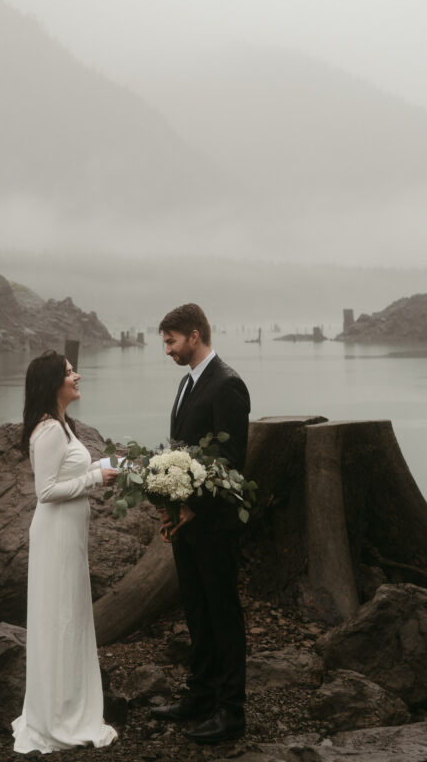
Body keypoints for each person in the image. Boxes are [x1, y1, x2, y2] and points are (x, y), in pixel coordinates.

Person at [151, 303, 250, 745]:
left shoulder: (228, 385)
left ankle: (231, 712)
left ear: (194, 335)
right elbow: (181, 451)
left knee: (222, 613)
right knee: (196, 609)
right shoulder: (186, 384)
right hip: (186, 523)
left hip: (214, 524)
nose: (168, 350)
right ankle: (201, 694)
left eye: (172, 341)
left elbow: (231, 462)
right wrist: (171, 505)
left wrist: (195, 507)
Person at [12, 350, 119, 754]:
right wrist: (95, 478)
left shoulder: (62, 424)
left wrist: (112, 464)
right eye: (70, 372)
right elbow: (47, 492)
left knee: (69, 616)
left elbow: (70, 473)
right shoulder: (49, 430)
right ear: (52, 383)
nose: (78, 376)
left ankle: (68, 702)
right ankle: (57, 714)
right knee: (60, 619)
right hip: (55, 536)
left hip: (68, 537)